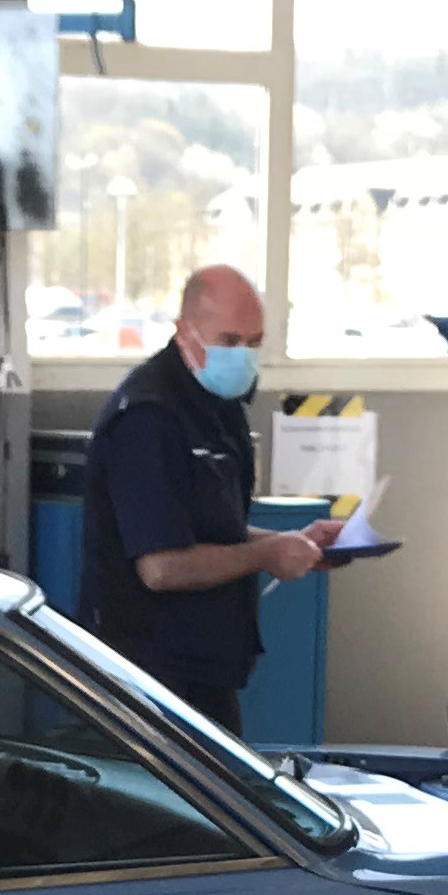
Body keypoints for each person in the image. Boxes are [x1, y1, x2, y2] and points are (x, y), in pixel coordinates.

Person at [76, 264, 335, 731]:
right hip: (149, 676)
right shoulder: (148, 419)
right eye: (229, 341)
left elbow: (213, 530)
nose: (243, 356)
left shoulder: (217, 405)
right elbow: (162, 566)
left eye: (255, 343)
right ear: (184, 331)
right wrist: (265, 555)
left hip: (206, 667)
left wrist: (295, 542)